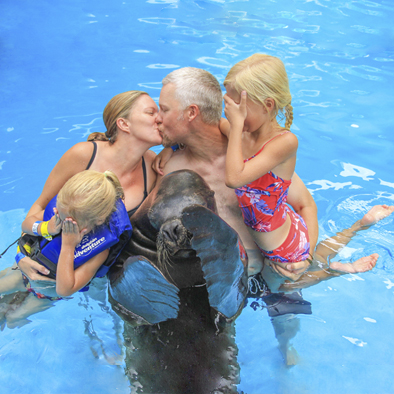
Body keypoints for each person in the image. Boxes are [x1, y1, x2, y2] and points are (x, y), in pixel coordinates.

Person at [17, 90, 162, 282]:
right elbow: (39, 207)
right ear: (124, 124)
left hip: (79, 276)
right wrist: (21, 256)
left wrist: (172, 148)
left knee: (17, 313)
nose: (160, 118)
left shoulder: (152, 167)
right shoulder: (83, 156)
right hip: (41, 258)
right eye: (151, 112)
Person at [0, 170, 132, 327]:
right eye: (59, 215)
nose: (61, 223)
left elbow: (65, 289)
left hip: (45, 294)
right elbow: (26, 224)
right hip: (21, 272)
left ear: (98, 220)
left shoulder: (100, 252)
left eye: (69, 222)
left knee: (13, 320)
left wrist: (68, 246)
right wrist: (45, 227)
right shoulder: (63, 209)